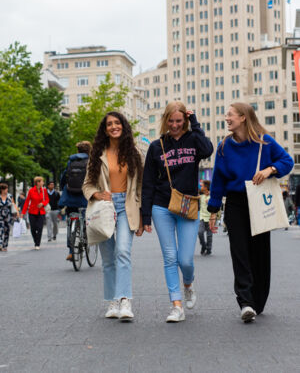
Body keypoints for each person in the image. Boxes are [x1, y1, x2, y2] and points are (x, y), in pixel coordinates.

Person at [208, 103, 294, 323]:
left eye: (230, 115)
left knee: (260, 253)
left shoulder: (265, 142)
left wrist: (269, 170)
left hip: (259, 201)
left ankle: (258, 299)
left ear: (243, 117)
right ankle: (245, 302)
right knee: (240, 253)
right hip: (235, 203)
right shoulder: (224, 146)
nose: (226, 118)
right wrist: (213, 209)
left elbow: (287, 161)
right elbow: (218, 179)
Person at [142, 101, 213, 322]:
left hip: (187, 205)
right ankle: (176, 305)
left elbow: (208, 149)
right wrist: (145, 216)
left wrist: (195, 122)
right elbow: (148, 183)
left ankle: (188, 284)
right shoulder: (156, 146)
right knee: (170, 257)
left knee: (186, 260)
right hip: (161, 206)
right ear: (165, 120)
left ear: (185, 120)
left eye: (179, 121)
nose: (174, 125)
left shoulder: (193, 140)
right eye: (171, 121)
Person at [83, 111, 143, 321]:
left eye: (117, 123)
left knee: (123, 252)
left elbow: (140, 188)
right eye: (110, 124)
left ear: (123, 126)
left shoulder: (134, 153)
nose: (114, 126)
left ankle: (125, 300)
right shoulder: (97, 154)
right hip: (104, 208)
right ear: (105, 129)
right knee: (108, 259)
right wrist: (97, 194)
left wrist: (142, 217)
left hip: (126, 207)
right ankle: (112, 301)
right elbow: (87, 184)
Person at [59, 141, 92, 261]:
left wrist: (63, 188)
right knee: (87, 218)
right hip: (85, 197)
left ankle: (71, 251)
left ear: (78, 151)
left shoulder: (71, 161)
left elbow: (63, 177)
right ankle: (86, 236)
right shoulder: (91, 162)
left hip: (70, 196)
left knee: (70, 222)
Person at [21, 177, 49, 250]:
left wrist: (42, 203)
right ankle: (35, 240)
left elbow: (47, 199)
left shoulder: (44, 190)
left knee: (40, 228)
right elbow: (27, 202)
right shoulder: (31, 191)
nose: (43, 183)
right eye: (42, 181)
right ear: (38, 182)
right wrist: (23, 212)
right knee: (33, 228)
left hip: (41, 212)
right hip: (32, 212)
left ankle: (37, 243)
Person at [0, 183, 18, 252]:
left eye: (7, 188)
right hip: (0, 216)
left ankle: (5, 246)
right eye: (5, 189)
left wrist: (17, 212)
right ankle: (0, 244)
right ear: (2, 189)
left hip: (8, 216)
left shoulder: (10, 196)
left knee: (7, 231)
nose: (6, 190)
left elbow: (13, 204)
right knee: (0, 230)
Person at [198, 180, 213, 255]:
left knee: (209, 235)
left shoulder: (212, 195)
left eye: (202, 186)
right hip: (202, 217)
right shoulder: (201, 195)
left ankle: (209, 249)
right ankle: (203, 245)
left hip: (210, 218)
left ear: (206, 187)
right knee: (200, 232)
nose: (201, 187)